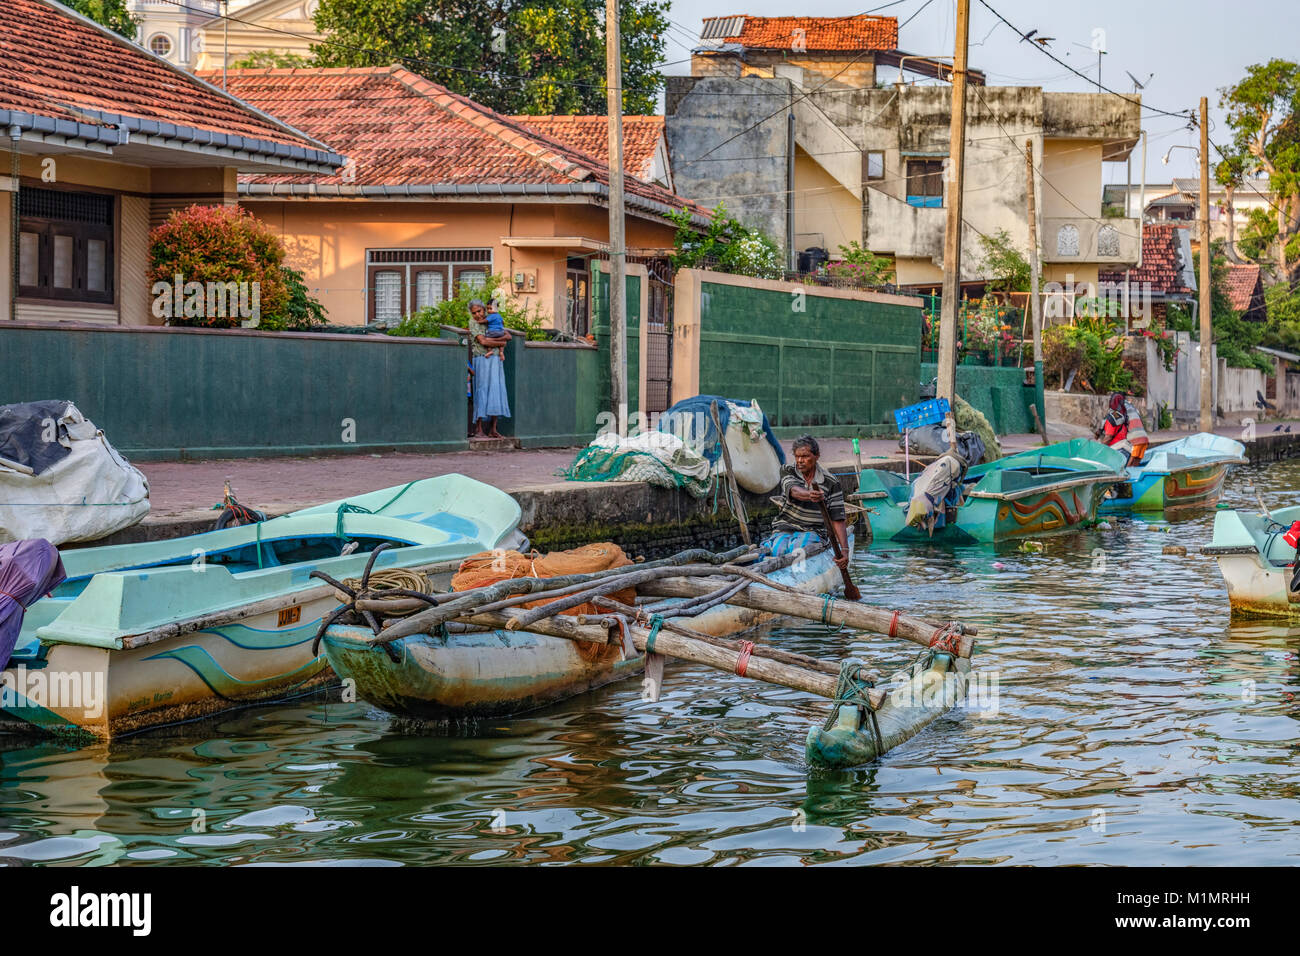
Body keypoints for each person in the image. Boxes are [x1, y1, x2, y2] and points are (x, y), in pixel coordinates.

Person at [771, 435, 849, 570]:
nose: (800, 461)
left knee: (798, 551)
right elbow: (793, 490)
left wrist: (845, 550)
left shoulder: (830, 482)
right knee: (777, 551)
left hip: (813, 530)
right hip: (785, 528)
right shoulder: (787, 470)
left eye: (805, 456)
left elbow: (837, 519)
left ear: (817, 456)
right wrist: (809, 495)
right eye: (797, 457)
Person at [468, 299, 511, 439]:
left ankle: (493, 429)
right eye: (474, 312)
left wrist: (501, 340)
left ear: (484, 310)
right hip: (481, 359)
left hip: (496, 359)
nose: (477, 315)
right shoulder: (473, 323)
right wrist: (502, 341)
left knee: (496, 391)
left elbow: (508, 335)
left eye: (479, 311)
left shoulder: (492, 320)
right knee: (482, 391)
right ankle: (479, 429)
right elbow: (483, 341)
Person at [1095, 391, 1149, 465]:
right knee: (1135, 467)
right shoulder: (1131, 407)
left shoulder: (1119, 409)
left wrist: (1099, 450)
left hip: (1135, 440)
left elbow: (1111, 424)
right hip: (1144, 438)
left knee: (1130, 467)